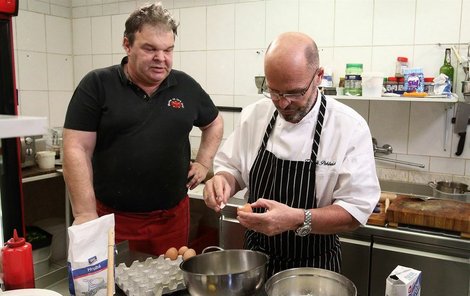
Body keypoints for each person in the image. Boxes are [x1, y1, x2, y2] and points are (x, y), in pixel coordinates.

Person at [203, 32, 380, 277]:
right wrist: (222, 182)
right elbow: (233, 169)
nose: (283, 103)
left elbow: (354, 212)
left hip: (314, 269)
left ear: (318, 77)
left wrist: (297, 218)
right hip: (256, 263)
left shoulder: (349, 127)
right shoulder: (255, 115)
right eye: (274, 92)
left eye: (295, 93)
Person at [62, 2, 223, 256]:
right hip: (114, 219)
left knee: (170, 287)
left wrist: (204, 162)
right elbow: (75, 146)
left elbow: (214, 122)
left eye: (168, 50)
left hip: (171, 218)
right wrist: (85, 213)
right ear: (127, 44)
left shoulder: (186, 86)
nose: (161, 59)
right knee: (116, 290)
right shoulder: (97, 85)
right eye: (150, 49)